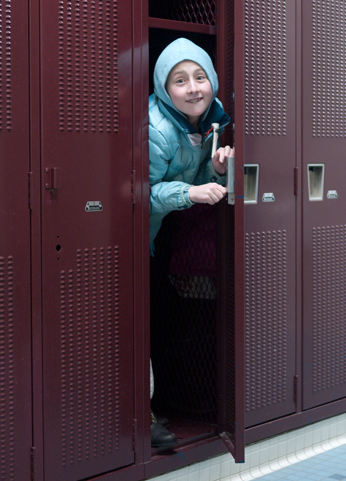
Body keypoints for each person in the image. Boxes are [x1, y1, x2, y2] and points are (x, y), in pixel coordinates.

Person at [148, 38, 233, 450]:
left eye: (200, 76)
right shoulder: (158, 128)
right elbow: (140, 193)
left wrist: (214, 171)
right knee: (140, 327)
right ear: (165, 89)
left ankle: (165, 402)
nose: (194, 87)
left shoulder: (207, 122)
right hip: (138, 239)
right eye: (180, 80)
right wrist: (193, 193)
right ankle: (141, 414)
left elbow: (197, 183)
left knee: (165, 321)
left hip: (166, 236)